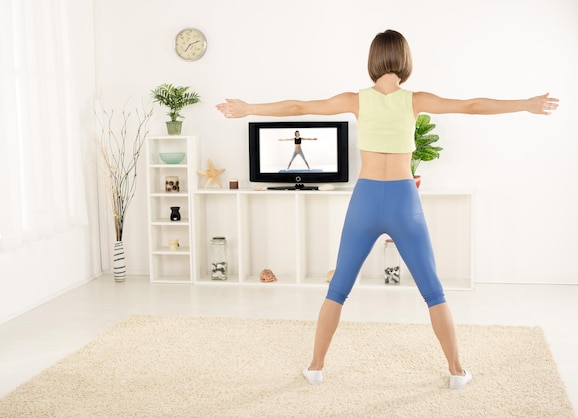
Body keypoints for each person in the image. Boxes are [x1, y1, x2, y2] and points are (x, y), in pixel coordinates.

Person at [215, 29, 559, 390]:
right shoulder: (414, 100)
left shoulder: (357, 100)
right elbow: (471, 105)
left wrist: (248, 108)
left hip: (364, 200)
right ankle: (457, 372)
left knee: (338, 290)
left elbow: (299, 107)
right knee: (434, 292)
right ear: (405, 60)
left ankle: (315, 367)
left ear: (373, 60)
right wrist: (524, 103)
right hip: (403, 201)